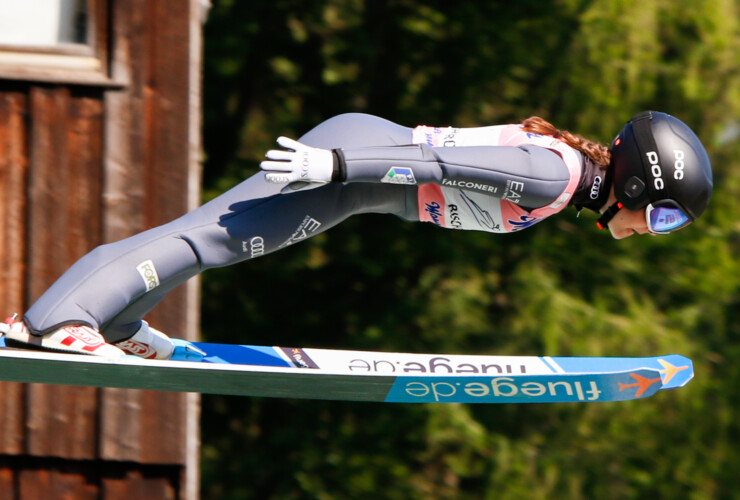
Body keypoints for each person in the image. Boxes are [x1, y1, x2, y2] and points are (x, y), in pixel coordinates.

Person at [1, 111, 713, 358]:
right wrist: (334, 166)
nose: (655, 229)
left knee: (222, 239)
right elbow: (431, 161)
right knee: (214, 236)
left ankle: (117, 317)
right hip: (356, 164)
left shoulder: (562, 185)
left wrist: (345, 176)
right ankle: (60, 319)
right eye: (664, 215)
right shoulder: (552, 176)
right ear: (643, 184)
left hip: (358, 184)